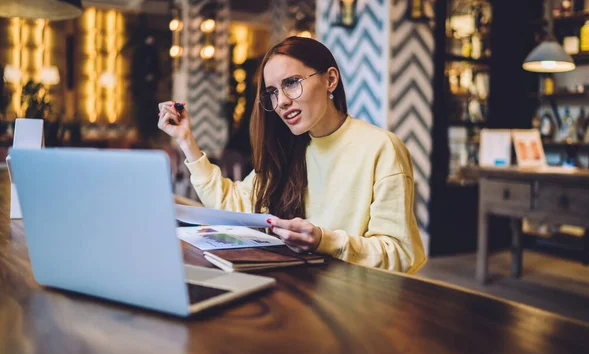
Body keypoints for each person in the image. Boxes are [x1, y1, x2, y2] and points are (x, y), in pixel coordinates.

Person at [158, 36, 426, 273]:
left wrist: (324, 240)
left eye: (292, 83)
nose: (282, 101)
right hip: (297, 290)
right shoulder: (288, 150)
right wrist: (186, 140)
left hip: (357, 301)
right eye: (272, 92)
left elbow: (401, 254)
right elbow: (232, 204)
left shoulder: (381, 147)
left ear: (330, 79)